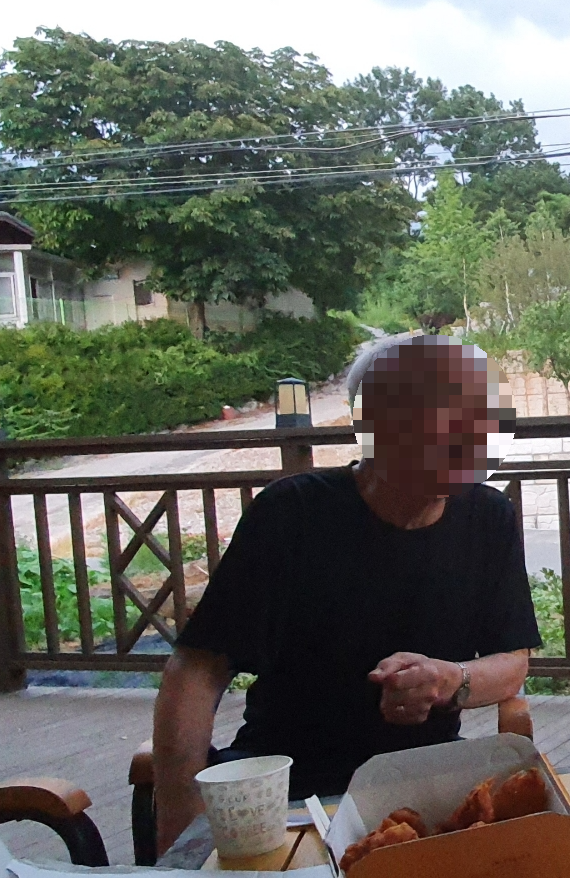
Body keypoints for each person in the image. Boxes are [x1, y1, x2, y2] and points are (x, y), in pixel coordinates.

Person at [150, 333, 542, 850]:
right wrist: (181, 819)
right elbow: (198, 670)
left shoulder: (487, 517)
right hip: (292, 790)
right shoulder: (293, 514)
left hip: (422, 786)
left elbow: (513, 661)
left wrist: (451, 679)